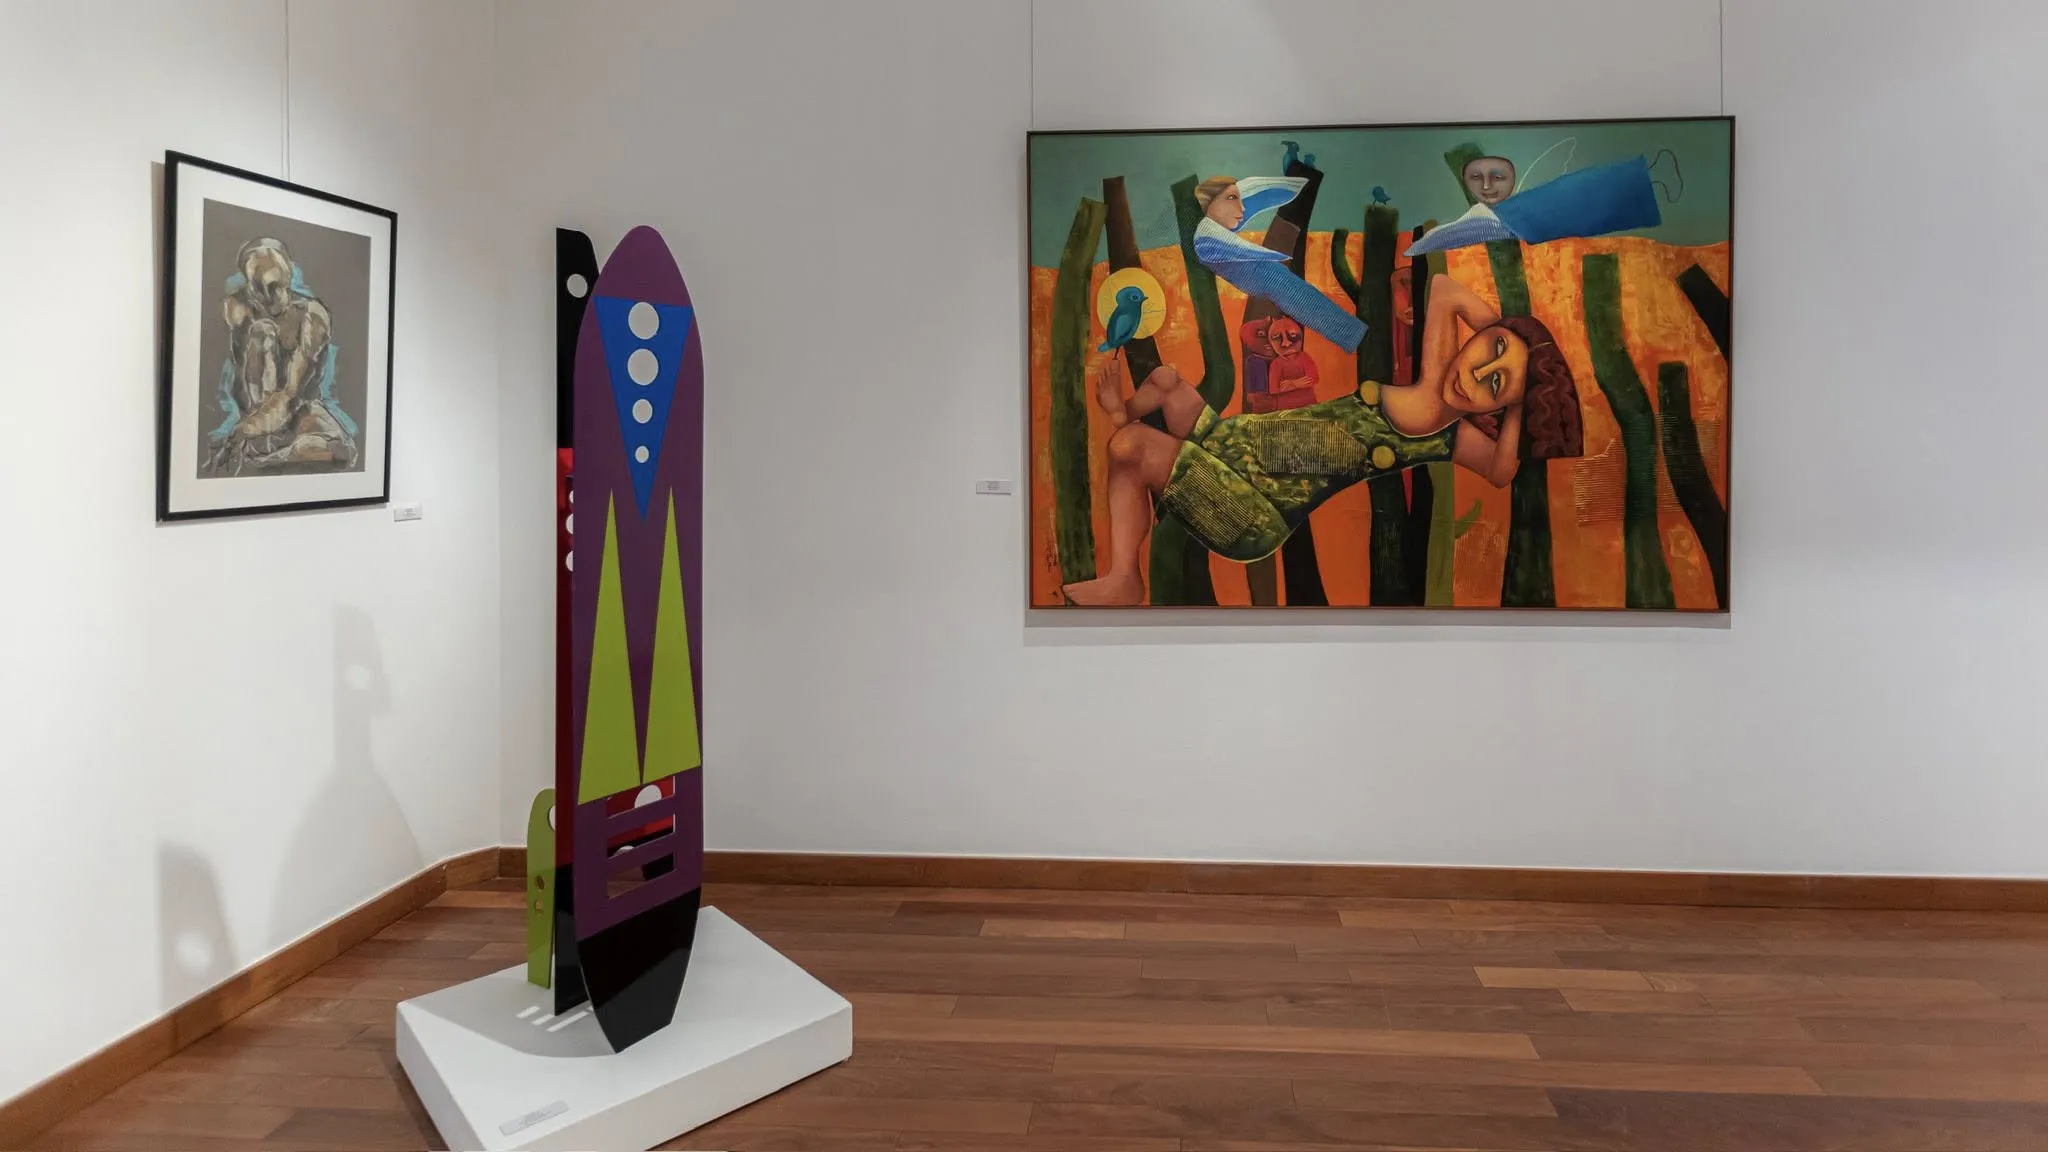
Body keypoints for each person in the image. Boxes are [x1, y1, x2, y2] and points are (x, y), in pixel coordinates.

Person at [1062, 274, 1583, 606]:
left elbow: (1500, 471)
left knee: (1129, 447)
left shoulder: (1445, 429)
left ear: (1499, 407)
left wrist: (1521, 402)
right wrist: (1513, 341)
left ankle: (1125, 577)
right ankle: (1120, 415)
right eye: (1492, 349)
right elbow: (1445, 288)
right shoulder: (1437, 387)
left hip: (1253, 507)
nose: (1475, 373)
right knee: (1164, 381)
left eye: (1495, 384)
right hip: (1231, 445)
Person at [207, 237, 359, 476]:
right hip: (255, 407)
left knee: (340, 451)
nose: (269, 296)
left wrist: (246, 429)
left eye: (274, 285)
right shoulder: (238, 307)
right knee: (262, 331)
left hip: (297, 407)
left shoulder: (311, 316)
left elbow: (291, 393)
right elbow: (243, 377)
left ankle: (264, 459)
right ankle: (263, 452)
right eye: (258, 287)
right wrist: (249, 422)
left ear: (289, 273)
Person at [1192, 176, 1368, 352]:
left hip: (1269, 278)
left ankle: (1353, 335)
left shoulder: (1212, 231)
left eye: (1239, 198)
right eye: (1232, 198)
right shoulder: (1207, 238)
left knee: (1299, 294)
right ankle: (1353, 335)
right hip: (1267, 279)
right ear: (1209, 202)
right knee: (1296, 295)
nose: (1242, 208)